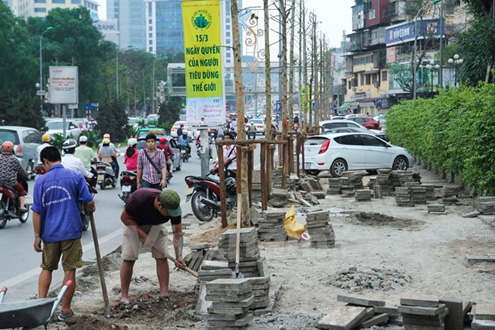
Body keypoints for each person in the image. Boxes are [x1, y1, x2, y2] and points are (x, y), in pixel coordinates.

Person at [32, 146, 95, 321]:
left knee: (47, 267)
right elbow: (88, 201)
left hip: (49, 233)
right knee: (70, 270)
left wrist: (37, 236)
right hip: (71, 231)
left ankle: (40, 308)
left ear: (45, 161)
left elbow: (36, 211)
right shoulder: (75, 176)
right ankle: (65, 310)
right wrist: (92, 207)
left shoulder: (40, 182)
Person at [119, 188, 185, 303]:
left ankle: (164, 294)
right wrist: (143, 236)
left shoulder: (173, 209)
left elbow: (177, 233)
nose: (172, 215)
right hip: (133, 224)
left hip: (155, 225)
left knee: (162, 257)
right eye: (169, 212)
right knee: (129, 258)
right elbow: (124, 218)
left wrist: (178, 255)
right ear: (159, 205)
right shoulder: (139, 199)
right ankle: (124, 296)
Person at [0, 141, 29, 212]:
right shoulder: (14, 159)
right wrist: (26, 173)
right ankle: (22, 206)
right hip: (11, 182)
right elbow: (21, 171)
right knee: (21, 190)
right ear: (12, 149)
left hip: (0, 182)